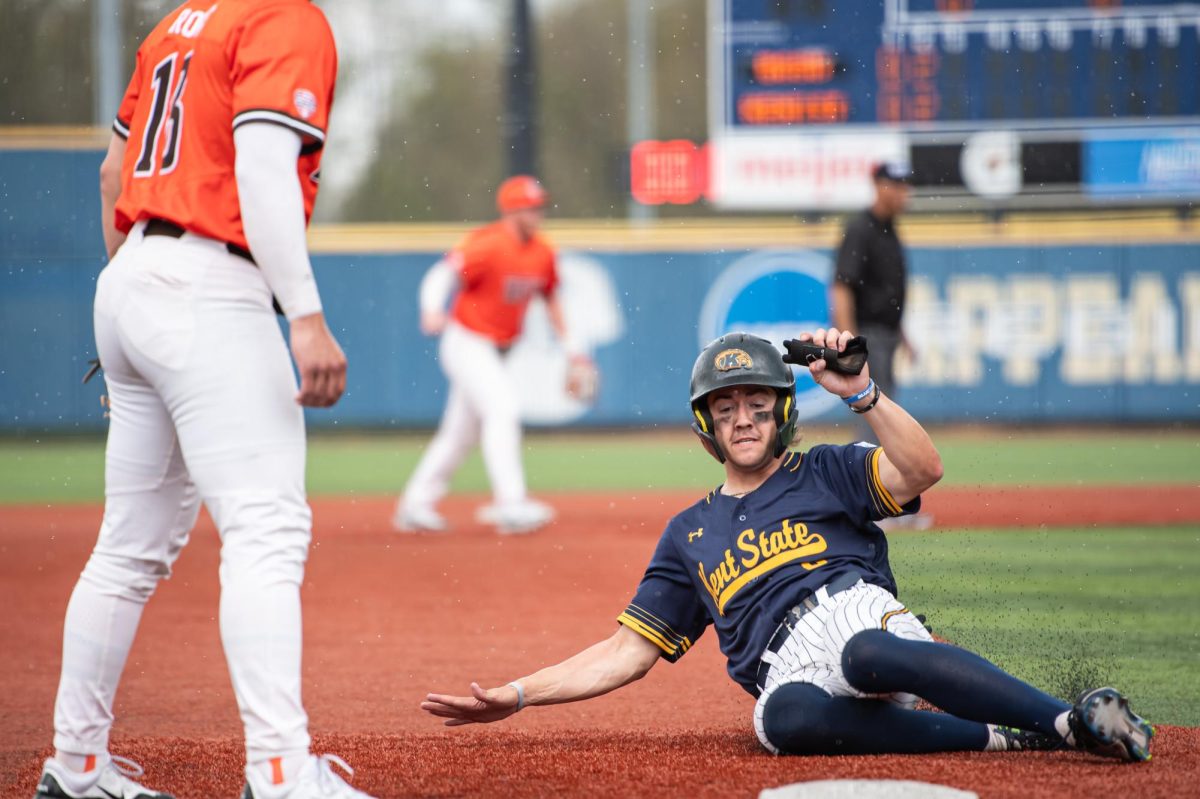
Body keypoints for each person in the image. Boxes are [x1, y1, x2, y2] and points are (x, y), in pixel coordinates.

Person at [421, 330, 1154, 763]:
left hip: (858, 620)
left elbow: (924, 469)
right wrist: (518, 695)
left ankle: (1069, 717)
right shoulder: (689, 533)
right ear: (706, 426)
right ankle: (999, 739)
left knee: (862, 652)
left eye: (757, 402)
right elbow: (625, 652)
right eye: (725, 406)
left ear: (782, 411)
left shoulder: (826, 468)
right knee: (779, 722)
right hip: (785, 667)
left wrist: (862, 392)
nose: (742, 416)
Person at [34, 2, 374, 798]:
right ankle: (283, 773)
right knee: (266, 529)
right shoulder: (285, 17)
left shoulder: (177, 23)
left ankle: (76, 765)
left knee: (126, 548)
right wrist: (310, 318)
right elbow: (259, 171)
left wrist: (138, 305)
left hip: (129, 274)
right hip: (212, 280)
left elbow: (113, 176)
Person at [394, 175, 594, 535]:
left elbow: (551, 300)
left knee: (459, 433)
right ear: (512, 209)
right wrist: (430, 308)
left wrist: (573, 350)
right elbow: (442, 274)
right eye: (530, 206)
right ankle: (511, 503)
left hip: (498, 349)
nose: (537, 212)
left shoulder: (543, 252)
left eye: (539, 205)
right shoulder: (487, 245)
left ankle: (415, 504)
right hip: (466, 341)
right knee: (502, 408)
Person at [832, 161, 914, 406]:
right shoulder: (861, 229)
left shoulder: (889, 229)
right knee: (874, 412)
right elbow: (841, 287)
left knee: (885, 411)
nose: (903, 193)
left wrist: (902, 335)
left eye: (905, 186)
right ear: (878, 186)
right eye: (896, 186)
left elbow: (886, 292)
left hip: (886, 336)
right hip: (868, 336)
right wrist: (851, 344)